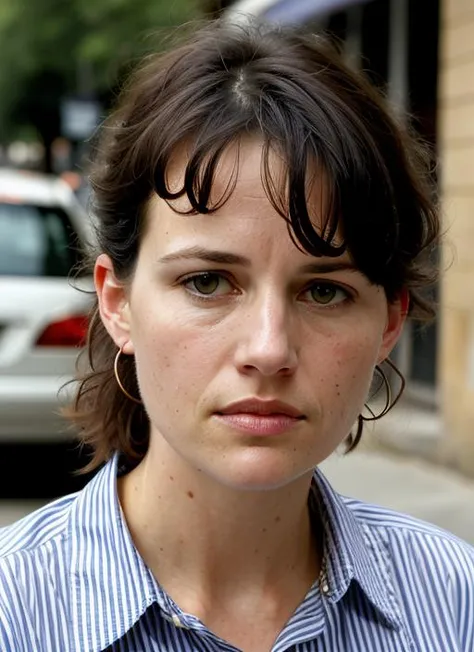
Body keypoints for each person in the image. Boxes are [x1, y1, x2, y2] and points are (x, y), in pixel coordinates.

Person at [0, 18, 472, 652]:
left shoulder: (454, 605)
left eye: (324, 291)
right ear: (119, 303)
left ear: (388, 321)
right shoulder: (16, 610)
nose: (269, 349)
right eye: (207, 282)